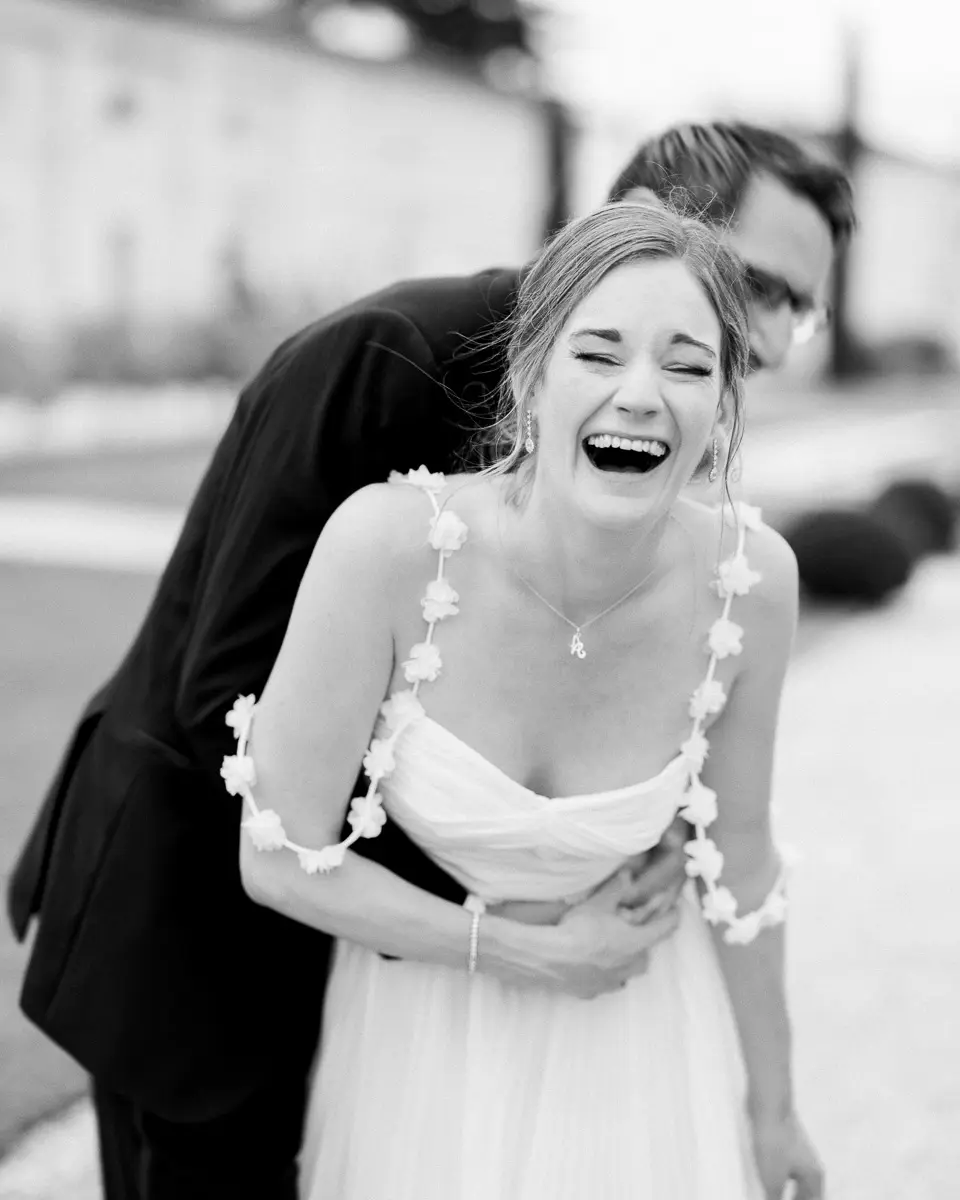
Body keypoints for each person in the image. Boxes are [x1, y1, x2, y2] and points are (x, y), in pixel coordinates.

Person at [7, 122, 853, 1199]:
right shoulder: (386, 358)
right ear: (644, 225)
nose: (770, 336)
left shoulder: (701, 509)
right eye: (761, 286)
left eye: (797, 309)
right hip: (201, 923)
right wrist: (517, 901)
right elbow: (225, 686)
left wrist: (631, 821)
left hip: (431, 955)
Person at [238, 200, 814, 1198]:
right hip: (422, 1051)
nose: (642, 395)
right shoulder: (388, 549)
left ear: (723, 406)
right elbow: (277, 859)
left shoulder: (751, 584)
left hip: (645, 1051)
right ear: (528, 376)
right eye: (598, 354)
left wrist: (774, 1108)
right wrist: (525, 954)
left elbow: (745, 868)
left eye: (687, 367)